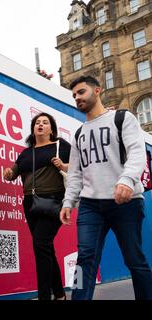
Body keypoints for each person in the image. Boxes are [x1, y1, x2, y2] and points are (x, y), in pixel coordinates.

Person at [60, 75, 152, 300]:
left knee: (134, 259)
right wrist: (68, 202)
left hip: (126, 202)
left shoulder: (122, 118)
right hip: (91, 205)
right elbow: (75, 174)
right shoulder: (79, 134)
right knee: (84, 260)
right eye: (74, 95)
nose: (77, 98)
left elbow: (137, 152)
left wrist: (127, 180)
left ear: (98, 90)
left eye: (81, 92)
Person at [4, 112, 71, 300]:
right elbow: (13, 173)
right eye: (37, 123)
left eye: (45, 122)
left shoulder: (61, 146)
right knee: (45, 247)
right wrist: (8, 173)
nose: (40, 125)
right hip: (30, 203)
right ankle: (59, 294)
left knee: (40, 243)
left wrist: (64, 166)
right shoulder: (26, 153)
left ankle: (44, 296)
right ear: (33, 129)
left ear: (52, 129)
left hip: (54, 200)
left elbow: (79, 167)